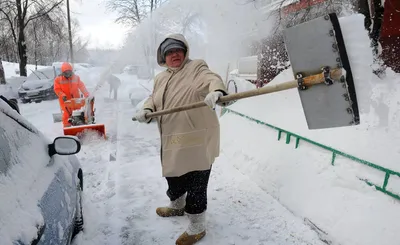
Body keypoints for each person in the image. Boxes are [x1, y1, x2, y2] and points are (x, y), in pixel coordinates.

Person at [133, 34, 230, 245]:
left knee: (196, 181)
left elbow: (211, 78)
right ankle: (177, 205)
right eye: (169, 52)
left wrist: (217, 91)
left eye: (178, 50)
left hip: (196, 138)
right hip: (171, 138)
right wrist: (148, 108)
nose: (174, 54)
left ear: (185, 52)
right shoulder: (161, 77)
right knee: (173, 174)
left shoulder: (196, 67)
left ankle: (197, 226)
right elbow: (154, 97)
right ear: (163, 57)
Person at [54, 62, 89, 127]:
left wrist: (86, 94)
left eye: (69, 72)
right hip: (65, 101)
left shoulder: (76, 78)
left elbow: (81, 86)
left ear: (71, 71)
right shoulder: (58, 80)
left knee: (78, 113)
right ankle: (67, 129)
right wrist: (62, 95)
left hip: (76, 100)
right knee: (67, 115)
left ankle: (79, 126)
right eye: (66, 72)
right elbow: (57, 89)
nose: (68, 74)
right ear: (63, 72)